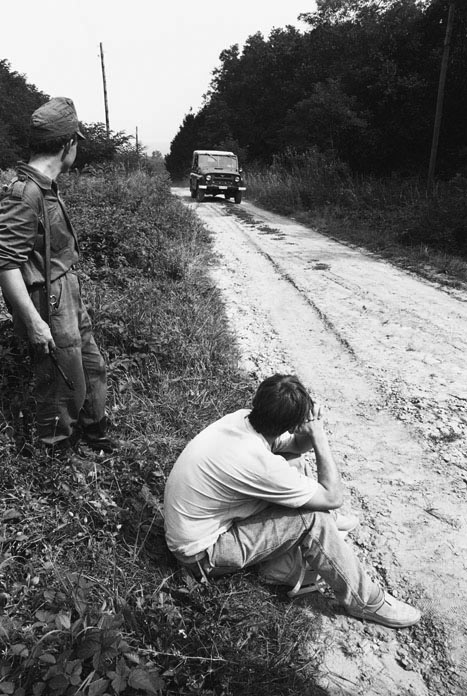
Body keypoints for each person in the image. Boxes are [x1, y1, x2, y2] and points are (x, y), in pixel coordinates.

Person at [164, 374, 421, 628]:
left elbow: (295, 447)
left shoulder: (243, 419)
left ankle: (304, 548)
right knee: (312, 517)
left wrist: (310, 423)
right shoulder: (257, 462)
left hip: (198, 528)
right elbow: (333, 497)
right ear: (289, 423)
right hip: (202, 555)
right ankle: (364, 600)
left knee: (292, 462)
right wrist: (319, 435)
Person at [0, 97, 113, 456]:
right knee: (60, 382)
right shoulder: (26, 193)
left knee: (92, 368)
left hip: (67, 289)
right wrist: (33, 322)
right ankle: (55, 454)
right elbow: (5, 263)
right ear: (68, 144)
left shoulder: (45, 184)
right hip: (48, 298)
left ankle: (97, 437)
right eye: (76, 143)